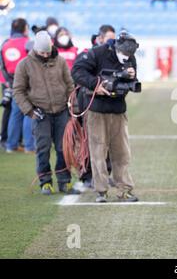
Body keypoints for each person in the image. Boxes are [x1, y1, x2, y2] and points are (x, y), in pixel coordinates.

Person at [71, 31, 139, 203]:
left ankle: (125, 189)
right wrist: (96, 84)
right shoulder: (97, 53)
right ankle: (101, 190)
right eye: (124, 54)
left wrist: (131, 76)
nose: (126, 58)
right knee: (98, 151)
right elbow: (77, 71)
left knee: (122, 152)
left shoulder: (131, 58)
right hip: (97, 110)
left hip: (118, 109)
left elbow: (130, 82)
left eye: (129, 56)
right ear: (117, 47)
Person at [13, 31, 79, 195]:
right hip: (40, 113)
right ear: (35, 49)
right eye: (42, 52)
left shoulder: (61, 61)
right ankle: (45, 182)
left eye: (47, 52)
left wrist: (73, 106)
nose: (45, 55)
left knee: (64, 148)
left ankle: (64, 181)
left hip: (62, 111)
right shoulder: (24, 65)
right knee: (42, 149)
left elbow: (70, 85)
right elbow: (18, 91)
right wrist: (31, 111)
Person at [1, 18, 34, 153]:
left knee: (15, 113)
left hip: (12, 82)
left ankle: (11, 145)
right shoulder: (28, 43)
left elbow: (2, 65)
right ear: (25, 28)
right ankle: (29, 146)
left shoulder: (5, 44)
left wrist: (9, 81)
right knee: (29, 112)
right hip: (28, 82)